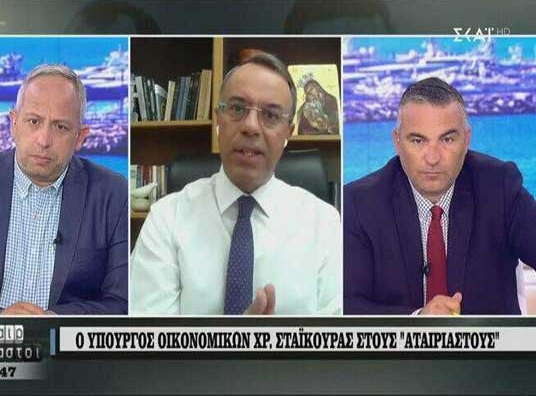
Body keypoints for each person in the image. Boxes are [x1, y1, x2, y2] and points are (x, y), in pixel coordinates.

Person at [131, 52, 341, 315]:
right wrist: (231, 339)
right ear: (219, 118)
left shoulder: (324, 224)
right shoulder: (166, 219)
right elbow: (148, 333)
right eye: (237, 109)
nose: (251, 127)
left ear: (289, 131)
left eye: (271, 115)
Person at [0, 64, 128, 315]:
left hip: (64, 340)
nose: (44, 140)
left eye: (60, 127)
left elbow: (120, 302)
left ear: (80, 137)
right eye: (34, 121)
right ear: (13, 123)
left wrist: (53, 322)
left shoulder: (113, 194)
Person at [344, 76, 536, 315]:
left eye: (447, 139)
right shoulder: (360, 204)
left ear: (466, 140)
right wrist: (417, 321)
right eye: (418, 141)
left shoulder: (500, 186)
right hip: (403, 340)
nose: (433, 158)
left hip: (489, 340)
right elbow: (348, 304)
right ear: (397, 142)